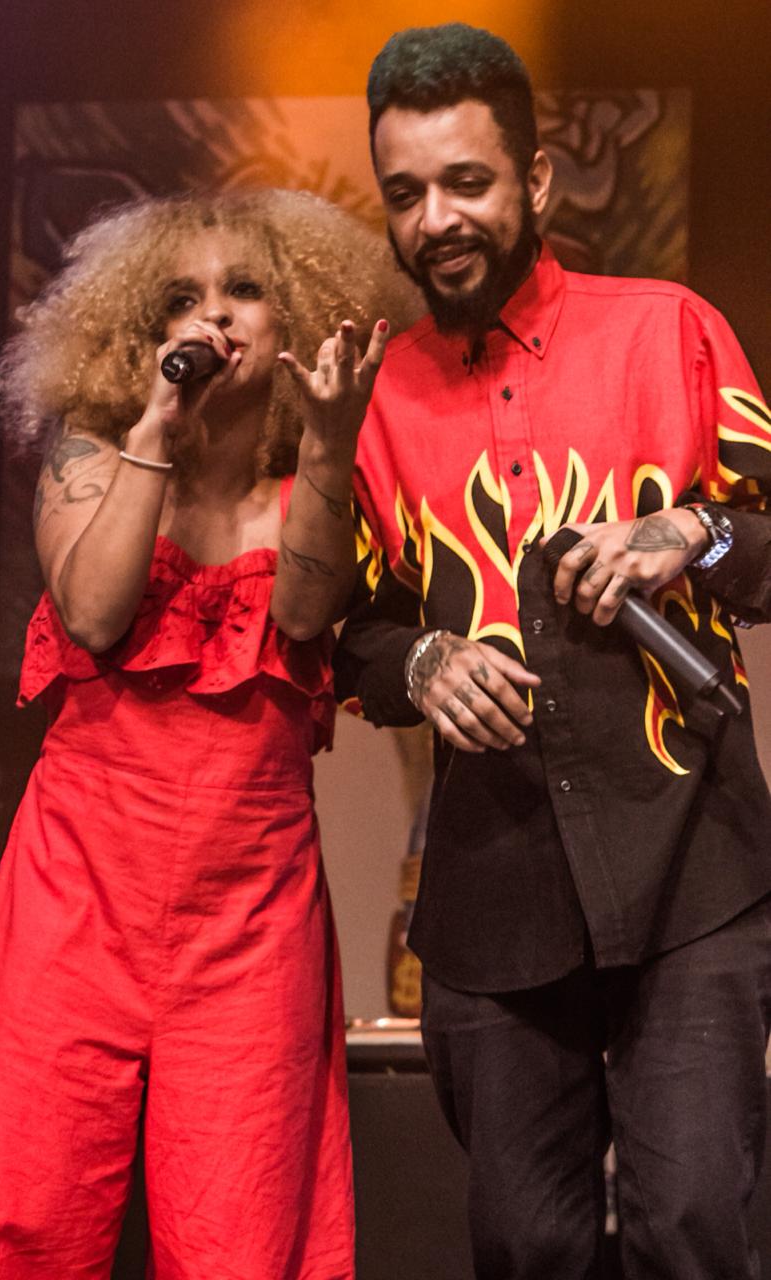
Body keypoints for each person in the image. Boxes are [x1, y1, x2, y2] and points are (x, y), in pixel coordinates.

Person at [334, 23, 771, 1280]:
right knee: (524, 1244)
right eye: (406, 193)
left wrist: (685, 532)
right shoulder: (376, 399)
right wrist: (420, 665)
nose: (436, 220)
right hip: (495, 884)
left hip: (693, 864)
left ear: (532, 181)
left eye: (466, 182)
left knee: (691, 1228)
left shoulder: (671, 331)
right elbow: (346, 635)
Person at [0, 188, 416, 1280]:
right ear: (134, 331)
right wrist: (153, 428)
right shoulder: (91, 455)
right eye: (179, 299)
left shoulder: (313, 483)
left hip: (250, 918)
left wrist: (331, 446)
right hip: (76, 899)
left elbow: (305, 613)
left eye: (243, 289)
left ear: (295, 317)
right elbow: (96, 614)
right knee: (33, 1218)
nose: (214, 316)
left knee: (241, 1236)